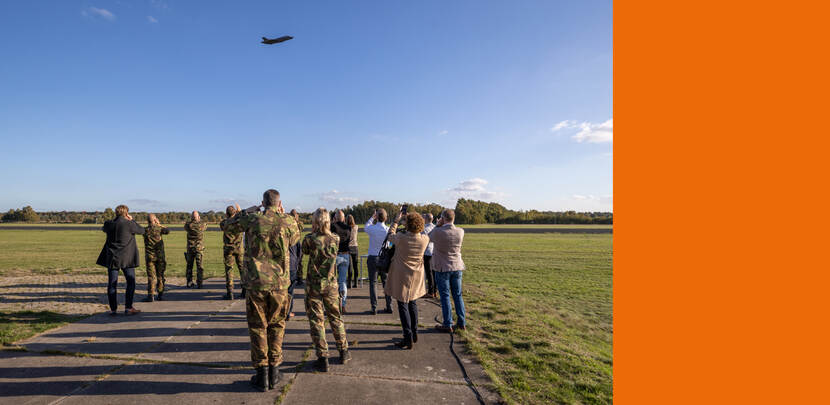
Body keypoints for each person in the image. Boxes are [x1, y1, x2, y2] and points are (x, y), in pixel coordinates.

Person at [222, 189, 302, 392]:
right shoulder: (288, 221)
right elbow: (295, 239)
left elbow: (226, 226)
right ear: (279, 203)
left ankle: (262, 375)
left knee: (258, 327)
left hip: (256, 283)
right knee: (277, 326)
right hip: (279, 284)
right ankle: (274, 371)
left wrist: (246, 211)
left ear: (263, 203)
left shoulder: (252, 219)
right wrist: (283, 215)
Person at [301, 207, 351, 371]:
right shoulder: (335, 238)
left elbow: (305, 251)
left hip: (314, 285)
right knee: (336, 317)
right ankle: (343, 350)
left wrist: (314, 231)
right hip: (330, 284)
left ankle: (323, 357)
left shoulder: (310, 239)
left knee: (317, 321)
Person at [384, 210, 428, 349]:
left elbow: (389, 235)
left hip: (402, 275)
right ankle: (414, 333)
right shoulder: (425, 239)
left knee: (402, 305)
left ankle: (407, 337)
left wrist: (396, 221)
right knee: (412, 303)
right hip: (416, 275)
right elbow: (421, 232)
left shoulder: (401, 238)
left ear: (407, 225)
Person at [96, 204, 144, 316]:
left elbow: (104, 228)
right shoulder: (129, 224)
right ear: (126, 213)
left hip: (112, 258)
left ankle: (113, 309)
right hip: (127, 258)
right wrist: (132, 220)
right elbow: (142, 231)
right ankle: (128, 307)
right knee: (130, 282)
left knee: (112, 284)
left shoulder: (108, 224)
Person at [429, 209, 467, 333]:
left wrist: (437, 225)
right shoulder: (460, 231)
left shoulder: (438, 231)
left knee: (445, 296)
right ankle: (462, 322)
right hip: (457, 266)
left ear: (443, 218)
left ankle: (448, 323)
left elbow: (428, 237)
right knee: (458, 295)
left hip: (442, 267)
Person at [364, 208, 392, 314]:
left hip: (373, 258)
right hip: (384, 258)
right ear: (386, 218)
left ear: (377, 217)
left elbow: (366, 226)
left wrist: (372, 217)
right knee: (386, 283)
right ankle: (389, 306)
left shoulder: (372, 228)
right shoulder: (388, 230)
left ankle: (374, 307)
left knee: (373, 283)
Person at [220, 204, 245, 300]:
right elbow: (244, 221)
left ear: (226, 214)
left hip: (228, 249)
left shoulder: (224, 223)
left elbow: (226, 223)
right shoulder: (239, 222)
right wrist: (239, 213)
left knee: (229, 270)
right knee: (242, 269)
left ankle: (230, 292)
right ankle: (244, 290)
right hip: (239, 249)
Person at [142, 214, 169, 302]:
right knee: (160, 275)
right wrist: (159, 224)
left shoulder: (145, 230)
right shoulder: (159, 229)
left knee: (151, 276)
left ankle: (151, 295)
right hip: (160, 256)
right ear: (155, 220)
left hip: (150, 257)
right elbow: (167, 231)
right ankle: (160, 294)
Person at [330, 210, 351, 313]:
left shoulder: (332, 226)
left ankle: (333, 305)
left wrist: (333, 221)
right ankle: (343, 305)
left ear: (335, 218)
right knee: (342, 282)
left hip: (335, 255)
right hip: (345, 254)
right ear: (343, 218)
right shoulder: (348, 228)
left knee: (332, 281)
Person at [287, 209, 304, 319]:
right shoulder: (296, 235)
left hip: (282, 264)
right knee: (290, 291)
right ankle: (288, 311)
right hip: (292, 263)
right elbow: (300, 252)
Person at [184, 211, 207, 288]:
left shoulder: (188, 225)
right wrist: (199, 219)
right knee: (199, 266)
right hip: (199, 248)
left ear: (191, 217)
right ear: (198, 217)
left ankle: (189, 282)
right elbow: (205, 226)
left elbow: (185, 227)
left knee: (189, 266)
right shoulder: (202, 225)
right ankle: (200, 283)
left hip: (190, 248)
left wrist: (192, 220)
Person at [422, 213, 437, 298]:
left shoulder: (424, 229)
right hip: (434, 251)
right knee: (433, 272)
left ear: (426, 219)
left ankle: (430, 292)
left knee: (428, 273)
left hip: (427, 252)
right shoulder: (435, 227)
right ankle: (434, 291)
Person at [347, 214, 359, 288]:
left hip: (348, 247)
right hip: (355, 247)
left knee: (349, 267)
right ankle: (356, 282)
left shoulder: (346, 228)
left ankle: (349, 283)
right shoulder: (356, 227)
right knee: (355, 266)